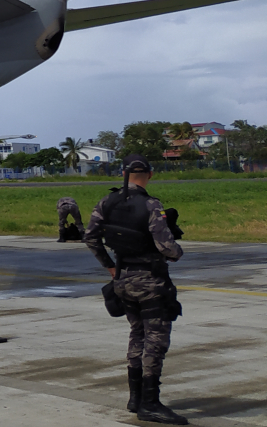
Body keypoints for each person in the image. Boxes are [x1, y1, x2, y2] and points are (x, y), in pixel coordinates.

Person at [84, 155, 187, 425]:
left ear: (123, 173)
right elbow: (167, 248)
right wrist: (177, 251)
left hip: (123, 279)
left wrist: (109, 266)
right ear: (150, 175)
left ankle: (135, 397)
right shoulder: (152, 205)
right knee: (155, 339)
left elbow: (90, 236)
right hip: (151, 281)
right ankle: (150, 403)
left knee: (136, 333)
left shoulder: (107, 202)